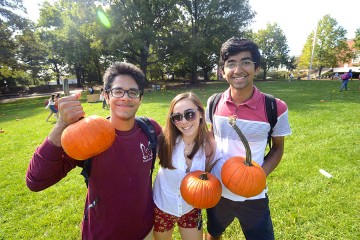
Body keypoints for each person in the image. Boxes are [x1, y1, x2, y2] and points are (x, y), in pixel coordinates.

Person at [26, 62, 162, 239]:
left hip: (145, 231)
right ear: (106, 96)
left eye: (133, 92)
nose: (126, 98)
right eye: (118, 91)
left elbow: (176, 151)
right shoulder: (88, 136)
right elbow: (36, 181)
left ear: (140, 98)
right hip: (102, 234)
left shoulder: (150, 129)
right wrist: (61, 125)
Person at [205, 38, 292, 240]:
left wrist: (257, 176)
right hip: (218, 191)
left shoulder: (275, 107)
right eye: (231, 63)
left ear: (256, 67)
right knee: (213, 233)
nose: (238, 69)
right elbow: (211, 137)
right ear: (223, 70)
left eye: (245, 62)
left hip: (253, 196)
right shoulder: (214, 102)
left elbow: (278, 148)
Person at [153, 92, 222, 240]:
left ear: (201, 114)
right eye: (177, 117)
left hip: (190, 208)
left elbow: (209, 177)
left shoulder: (209, 145)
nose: (184, 121)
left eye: (189, 114)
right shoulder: (164, 141)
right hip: (163, 206)